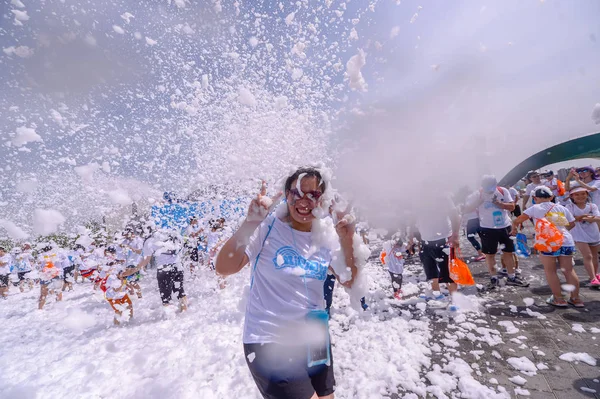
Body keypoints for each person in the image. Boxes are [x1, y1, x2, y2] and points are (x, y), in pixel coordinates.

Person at [215, 167, 359, 399]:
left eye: (313, 195)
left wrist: (347, 238)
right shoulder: (268, 227)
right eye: (297, 193)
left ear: (321, 200)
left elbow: (349, 280)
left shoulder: (325, 234)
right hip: (270, 339)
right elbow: (224, 268)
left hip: (315, 334)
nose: (304, 201)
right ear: (286, 194)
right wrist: (250, 222)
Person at [512, 186, 582, 307]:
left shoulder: (535, 208)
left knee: (551, 271)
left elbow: (518, 220)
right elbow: (571, 224)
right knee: (569, 271)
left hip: (547, 243)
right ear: (551, 196)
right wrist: (559, 231)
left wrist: (514, 227)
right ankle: (576, 299)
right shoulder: (560, 207)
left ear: (535, 198)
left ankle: (559, 299)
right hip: (565, 241)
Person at [465, 175, 528, 289]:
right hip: (487, 228)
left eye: (491, 186)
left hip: (504, 226)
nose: (489, 189)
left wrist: (499, 204)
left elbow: (512, 207)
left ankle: (511, 277)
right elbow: (467, 209)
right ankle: (493, 278)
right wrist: (479, 202)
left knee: (508, 253)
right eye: (486, 187)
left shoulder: (502, 191)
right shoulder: (477, 194)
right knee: (490, 255)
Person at [410, 192, 460, 300]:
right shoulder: (417, 199)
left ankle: (455, 300)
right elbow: (412, 220)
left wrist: (455, 235)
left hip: (444, 240)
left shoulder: (443, 197)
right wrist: (411, 239)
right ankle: (437, 296)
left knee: (448, 273)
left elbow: (454, 215)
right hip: (425, 241)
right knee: (431, 272)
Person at [137, 227, 188, 312]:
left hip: (164, 269)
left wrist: (135, 269)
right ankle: (185, 314)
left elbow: (146, 260)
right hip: (178, 266)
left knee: (166, 298)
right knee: (180, 292)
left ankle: (170, 319)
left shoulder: (149, 241)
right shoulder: (171, 235)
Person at [565, 187, 600, 287]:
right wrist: (583, 217)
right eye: (577, 194)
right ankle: (593, 278)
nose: (580, 196)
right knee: (587, 256)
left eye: (583, 194)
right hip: (578, 234)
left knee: (595, 256)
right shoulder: (569, 207)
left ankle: (594, 274)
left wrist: (585, 218)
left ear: (587, 194)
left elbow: (597, 217)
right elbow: (569, 219)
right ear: (572, 196)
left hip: (593, 233)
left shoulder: (592, 206)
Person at [38, 244, 64, 309]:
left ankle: (39, 309)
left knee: (43, 294)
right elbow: (63, 260)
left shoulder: (42, 255)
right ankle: (59, 307)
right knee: (58, 292)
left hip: (45, 275)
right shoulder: (58, 253)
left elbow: (39, 264)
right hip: (56, 274)